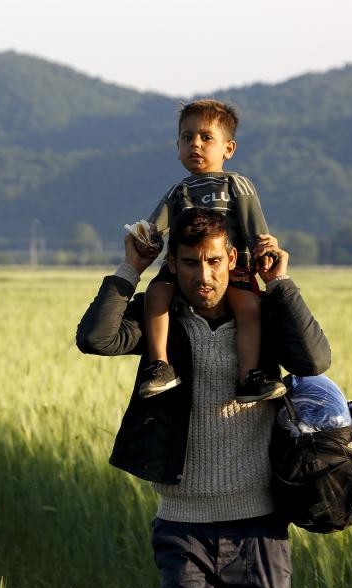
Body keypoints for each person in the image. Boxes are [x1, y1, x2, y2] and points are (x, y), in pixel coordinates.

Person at [76, 209, 332, 588]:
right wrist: (131, 269)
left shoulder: (262, 317)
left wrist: (280, 284)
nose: (204, 276)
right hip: (182, 528)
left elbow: (314, 361)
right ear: (173, 264)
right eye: (191, 263)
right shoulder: (161, 319)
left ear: (232, 259)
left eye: (213, 261)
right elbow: (95, 338)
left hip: (259, 527)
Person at [137, 99, 283, 403]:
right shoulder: (178, 191)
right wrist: (144, 239)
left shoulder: (236, 185)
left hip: (230, 270)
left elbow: (256, 229)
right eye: (187, 138)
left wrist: (264, 249)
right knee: (155, 295)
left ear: (228, 149)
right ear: (177, 146)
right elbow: (153, 228)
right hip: (181, 268)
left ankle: (248, 377)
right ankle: (160, 365)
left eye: (206, 138)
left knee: (248, 308)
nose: (196, 145)